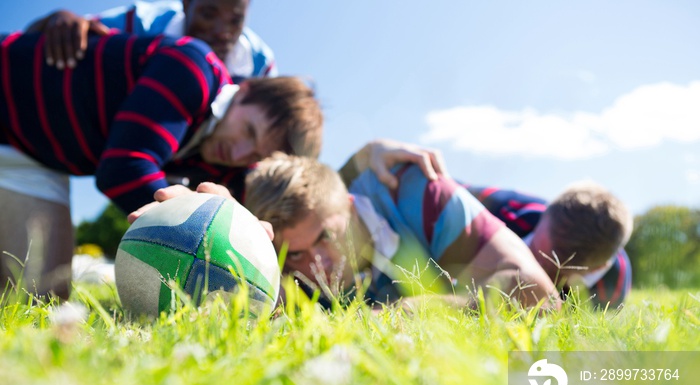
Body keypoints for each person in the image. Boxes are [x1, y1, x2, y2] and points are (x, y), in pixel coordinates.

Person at [0, 31, 322, 299]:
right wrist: (196, 214)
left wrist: (274, 281)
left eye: (254, 155)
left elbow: (251, 235)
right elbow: (124, 166)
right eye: (249, 131)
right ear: (245, 89)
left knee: (40, 296)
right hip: (7, 89)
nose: (238, 154)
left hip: (35, 159)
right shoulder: (191, 67)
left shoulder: (231, 160)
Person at [241, 155, 561, 310]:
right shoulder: (273, 257)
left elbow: (538, 291)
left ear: (350, 204)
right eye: (295, 253)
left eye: (325, 236)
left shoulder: (421, 197)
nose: (318, 263)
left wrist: (415, 312)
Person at [464, 183, 633, 308]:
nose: (531, 271)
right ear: (544, 215)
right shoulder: (505, 210)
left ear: (595, 269)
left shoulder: (611, 288)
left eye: (553, 273)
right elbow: (445, 188)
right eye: (532, 250)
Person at [26, 0, 276, 84]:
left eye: (235, 20)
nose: (222, 32)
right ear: (186, 3)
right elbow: (30, 39)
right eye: (209, 14)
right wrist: (57, 20)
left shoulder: (259, 66)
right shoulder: (140, 24)